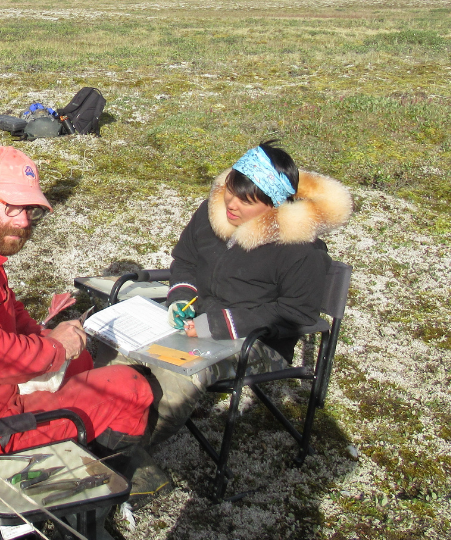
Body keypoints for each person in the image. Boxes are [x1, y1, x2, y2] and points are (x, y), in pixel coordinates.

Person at [0, 148, 164, 540]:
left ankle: (86, 469)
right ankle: (79, 530)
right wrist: (55, 348)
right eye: (11, 207)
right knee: (134, 389)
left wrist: (43, 335)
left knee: (83, 365)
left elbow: (5, 310)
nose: (24, 221)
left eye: (30, 210)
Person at [137, 140, 352, 446]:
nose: (231, 205)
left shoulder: (300, 249)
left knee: (175, 376)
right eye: (230, 191)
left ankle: (128, 453)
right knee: (123, 350)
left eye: (246, 201)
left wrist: (216, 325)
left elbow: (297, 313)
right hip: (196, 322)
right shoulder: (214, 213)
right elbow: (186, 260)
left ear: (274, 206)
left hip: (257, 341)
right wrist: (180, 298)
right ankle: (97, 429)